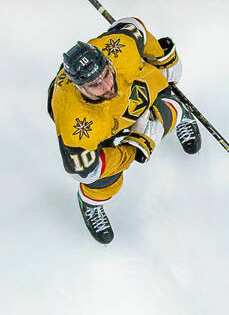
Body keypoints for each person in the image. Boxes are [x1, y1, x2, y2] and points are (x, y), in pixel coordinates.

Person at [47, 17, 201, 244]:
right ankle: (91, 202)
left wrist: (164, 61)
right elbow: (86, 171)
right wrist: (132, 148)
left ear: (108, 63)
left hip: (125, 101)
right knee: (103, 179)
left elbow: (133, 25)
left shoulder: (120, 50)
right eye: (95, 85)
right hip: (99, 127)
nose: (107, 86)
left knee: (167, 103)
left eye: (106, 75)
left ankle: (180, 115)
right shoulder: (75, 125)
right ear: (81, 88)